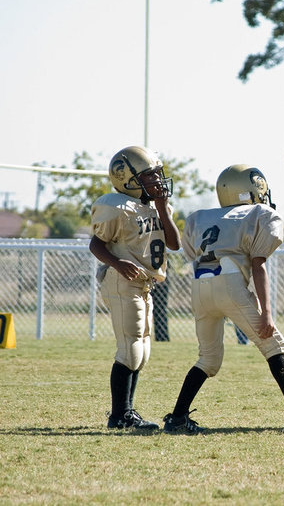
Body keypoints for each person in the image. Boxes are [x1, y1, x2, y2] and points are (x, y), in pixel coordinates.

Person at [163, 164, 284, 434]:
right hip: (229, 282)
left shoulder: (199, 218)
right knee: (273, 345)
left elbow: (192, 254)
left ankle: (177, 418)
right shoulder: (258, 213)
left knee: (208, 359)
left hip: (199, 285)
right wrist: (267, 311)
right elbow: (258, 265)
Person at [90, 145, 180, 430]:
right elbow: (96, 244)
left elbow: (174, 243)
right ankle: (120, 416)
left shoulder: (155, 205)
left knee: (142, 352)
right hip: (123, 281)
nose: (157, 181)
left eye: (157, 175)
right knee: (130, 350)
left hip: (144, 284)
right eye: (150, 176)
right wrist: (117, 264)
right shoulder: (115, 205)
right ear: (126, 178)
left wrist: (164, 208)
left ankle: (126, 412)